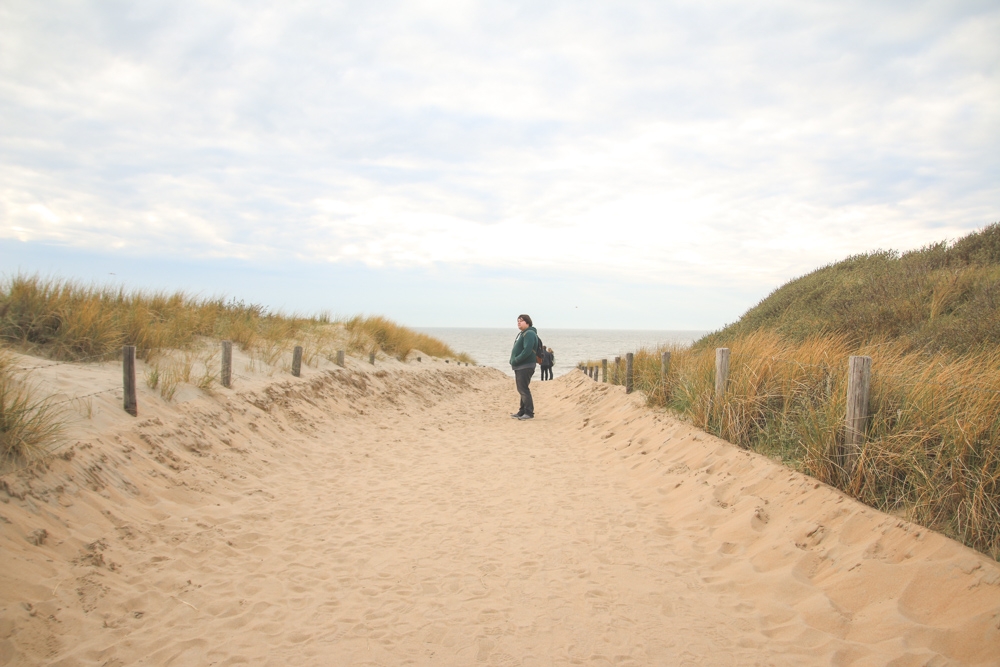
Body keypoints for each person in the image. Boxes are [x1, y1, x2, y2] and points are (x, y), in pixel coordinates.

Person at [510, 314, 539, 420]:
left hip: (525, 366)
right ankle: (522, 411)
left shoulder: (529, 333)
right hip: (521, 366)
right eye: (518, 321)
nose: (518, 322)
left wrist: (517, 359)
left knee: (523, 389)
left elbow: (527, 350)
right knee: (522, 389)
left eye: (521, 321)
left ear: (528, 322)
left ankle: (529, 412)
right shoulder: (524, 333)